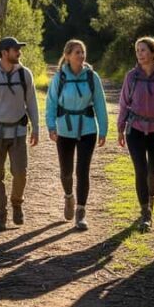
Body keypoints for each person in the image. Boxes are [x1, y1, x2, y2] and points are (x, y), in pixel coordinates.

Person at [0, 36, 40, 231]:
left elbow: (32, 102)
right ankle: (0, 216)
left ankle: (17, 204)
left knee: (20, 173)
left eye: (19, 49)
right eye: (15, 49)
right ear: (4, 53)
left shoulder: (25, 74)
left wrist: (36, 127)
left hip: (19, 133)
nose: (19, 52)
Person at [45, 39, 108, 230]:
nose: (81, 56)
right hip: (64, 129)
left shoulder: (92, 77)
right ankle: (68, 197)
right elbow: (51, 103)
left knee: (83, 171)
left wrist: (103, 129)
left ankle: (80, 212)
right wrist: (51, 126)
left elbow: (100, 104)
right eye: (77, 53)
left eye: (83, 52)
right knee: (66, 172)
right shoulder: (59, 78)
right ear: (67, 56)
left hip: (88, 129)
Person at [117, 37, 154, 232]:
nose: (140, 54)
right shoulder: (131, 77)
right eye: (137, 50)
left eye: (143, 50)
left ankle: (151, 199)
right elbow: (124, 103)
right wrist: (120, 127)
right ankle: (145, 213)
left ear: (153, 53)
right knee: (141, 171)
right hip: (134, 130)